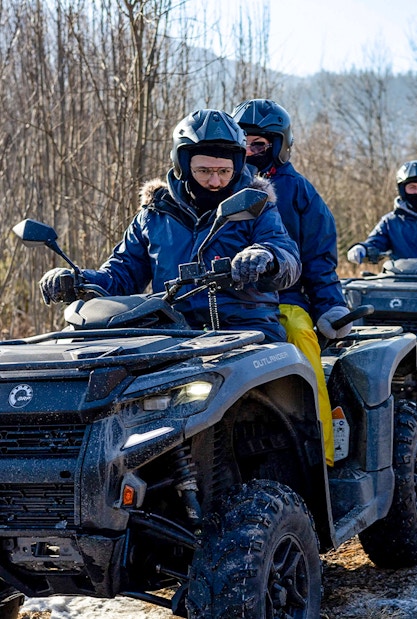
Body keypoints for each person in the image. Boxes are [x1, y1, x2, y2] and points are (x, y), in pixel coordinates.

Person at [39, 109, 302, 344]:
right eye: (204, 171)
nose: (214, 181)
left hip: (247, 331)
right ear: (183, 166)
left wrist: (267, 257)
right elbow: (121, 275)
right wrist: (78, 280)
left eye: (224, 171)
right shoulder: (155, 214)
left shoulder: (256, 205)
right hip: (170, 332)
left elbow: (286, 255)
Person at [232, 98, 351, 466]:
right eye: (244, 144)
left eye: (260, 145)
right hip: (222, 305)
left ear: (280, 146)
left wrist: (330, 304)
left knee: (302, 343)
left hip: (285, 299)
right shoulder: (219, 187)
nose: (250, 153)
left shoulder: (299, 192)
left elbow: (318, 257)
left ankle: (324, 457)